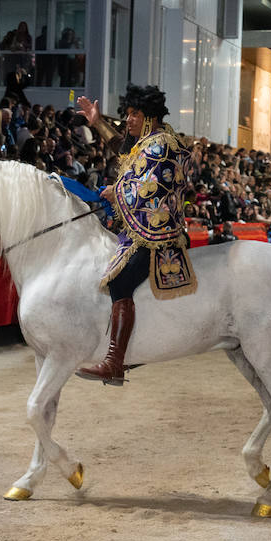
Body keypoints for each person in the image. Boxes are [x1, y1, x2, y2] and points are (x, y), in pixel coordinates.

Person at [73, 84, 195, 384]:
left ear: (149, 116)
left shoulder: (163, 144)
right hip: (139, 231)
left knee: (119, 282)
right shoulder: (149, 142)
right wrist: (98, 122)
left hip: (157, 233)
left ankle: (115, 362)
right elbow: (123, 150)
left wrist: (118, 191)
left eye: (134, 114)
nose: (128, 120)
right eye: (127, 114)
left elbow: (151, 184)